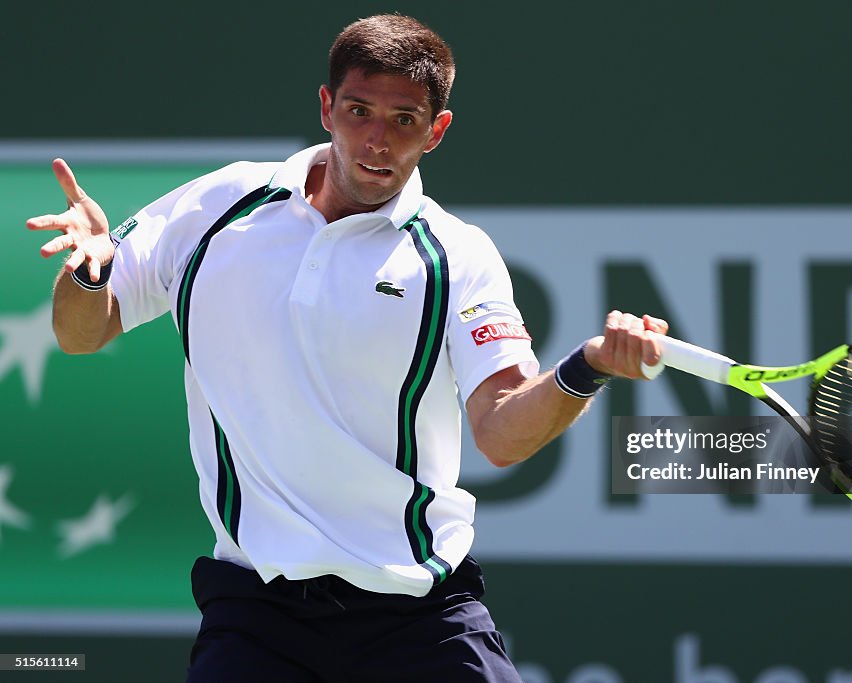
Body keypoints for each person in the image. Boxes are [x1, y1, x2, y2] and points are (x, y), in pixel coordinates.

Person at [27, 14, 667, 683]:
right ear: (327, 106)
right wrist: (87, 271)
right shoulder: (221, 204)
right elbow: (81, 332)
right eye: (359, 111)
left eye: (403, 120)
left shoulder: (457, 256)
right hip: (257, 615)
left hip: (419, 617)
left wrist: (587, 366)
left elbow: (502, 432)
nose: (376, 139)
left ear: (436, 132)